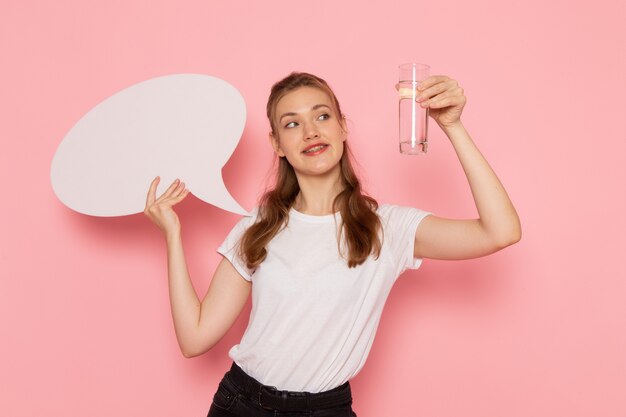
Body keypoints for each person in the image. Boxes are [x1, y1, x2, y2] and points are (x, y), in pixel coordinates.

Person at [144, 72, 521, 416]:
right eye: (292, 124)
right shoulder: (257, 228)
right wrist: (172, 235)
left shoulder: (387, 228)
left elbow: (500, 231)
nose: (310, 131)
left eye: (322, 116)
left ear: (342, 127)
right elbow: (194, 338)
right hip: (242, 405)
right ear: (277, 144)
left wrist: (451, 125)